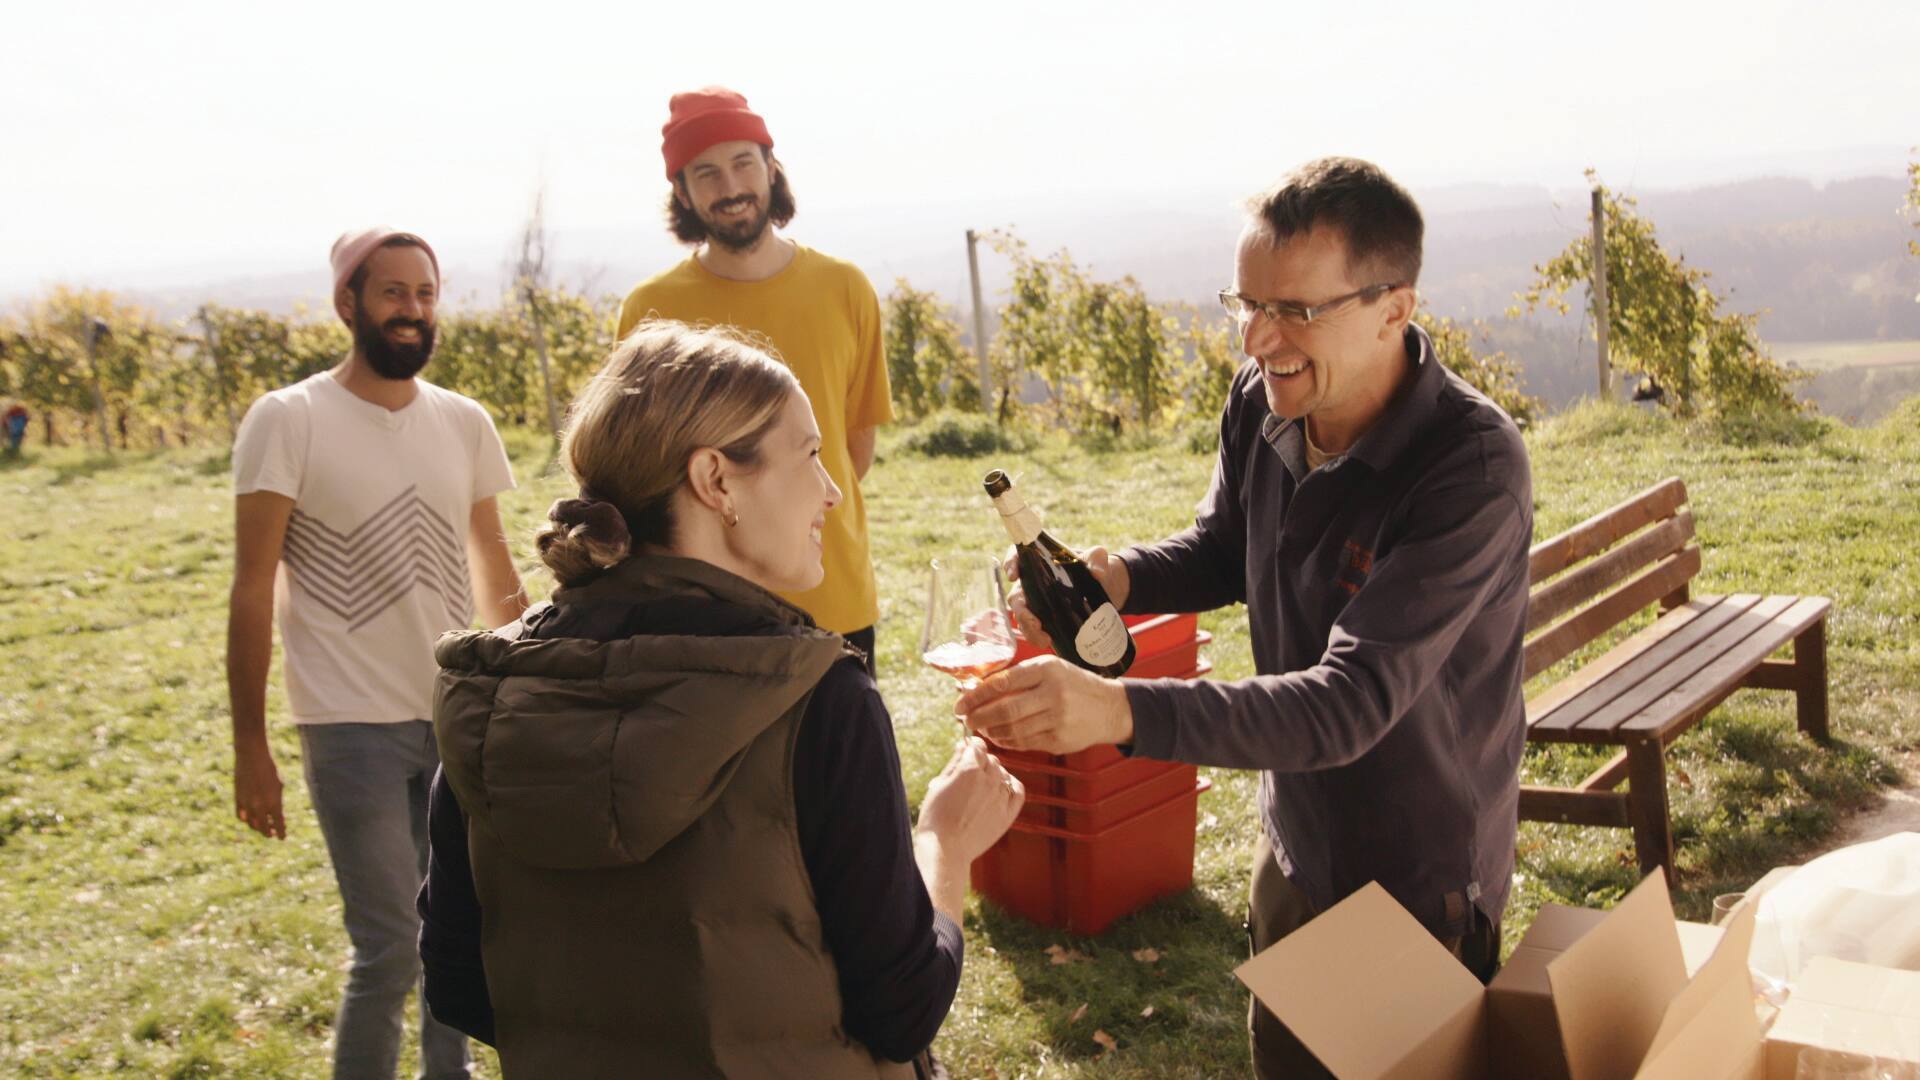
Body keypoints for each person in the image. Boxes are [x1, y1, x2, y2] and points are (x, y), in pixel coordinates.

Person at [957, 157, 1535, 1079]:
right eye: (1247, 303)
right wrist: (1121, 578)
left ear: (1393, 309)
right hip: (1295, 836)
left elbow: (1348, 703)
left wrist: (1118, 712)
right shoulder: (1265, 400)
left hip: (1414, 876)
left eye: (1295, 310)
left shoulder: (1469, 467)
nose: (1260, 339)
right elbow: (1230, 546)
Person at [419, 320, 1021, 1078]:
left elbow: (460, 986)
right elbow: (903, 1010)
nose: (833, 491)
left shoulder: (488, 689)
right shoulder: (817, 700)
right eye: (809, 454)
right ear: (716, 480)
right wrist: (944, 843)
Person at [226, 227, 528, 1080]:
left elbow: (494, 567)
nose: (413, 310)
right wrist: (251, 745)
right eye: (393, 292)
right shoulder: (287, 419)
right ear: (347, 303)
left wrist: (532, 685)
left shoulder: (464, 422)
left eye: (425, 293)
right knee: (391, 945)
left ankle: (448, 1072)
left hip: (453, 715)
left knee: (457, 933)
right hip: (347, 725)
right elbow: (251, 588)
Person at [615, 86, 892, 673]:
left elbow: (854, 448)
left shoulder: (845, 288)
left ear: (771, 166)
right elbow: (639, 470)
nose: (731, 186)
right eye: (706, 173)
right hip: (702, 608)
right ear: (682, 192)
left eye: (743, 163)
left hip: (832, 595)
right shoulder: (649, 310)